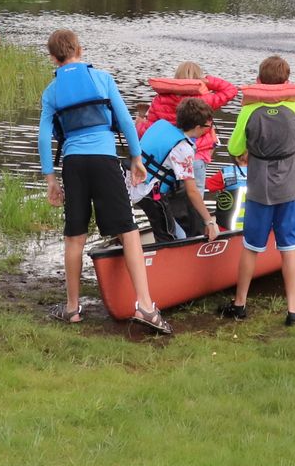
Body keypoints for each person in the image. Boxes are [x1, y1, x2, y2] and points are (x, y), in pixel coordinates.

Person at [38, 28, 172, 333]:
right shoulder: (102, 79)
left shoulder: (51, 92)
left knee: (74, 236)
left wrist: (50, 179)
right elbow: (125, 120)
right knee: (129, 232)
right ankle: (146, 307)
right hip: (104, 160)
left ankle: (72, 308)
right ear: (79, 51)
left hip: (73, 164)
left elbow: (45, 136)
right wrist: (136, 158)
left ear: (53, 58)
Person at [218, 55, 295, 325]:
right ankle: (293, 310)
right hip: (290, 187)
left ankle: (239, 305)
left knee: (251, 246)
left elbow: (233, 148)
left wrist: (247, 150)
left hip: (259, 188)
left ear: (259, 80)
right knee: (288, 248)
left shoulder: (249, 111)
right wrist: (293, 102)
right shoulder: (293, 109)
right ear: (286, 81)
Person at [137, 62, 239, 194]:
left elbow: (148, 131)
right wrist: (208, 81)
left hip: (169, 156)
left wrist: (139, 124)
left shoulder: (160, 99)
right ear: (199, 79)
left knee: (171, 194)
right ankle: (198, 215)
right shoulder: (204, 100)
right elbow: (231, 90)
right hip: (197, 155)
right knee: (195, 193)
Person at [132, 97, 222, 244]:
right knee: (173, 239)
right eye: (208, 126)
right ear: (198, 127)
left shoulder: (161, 124)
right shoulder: (183, 148)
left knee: (176, 225)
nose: (209, 130)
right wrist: (209, 222)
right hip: (148, 192)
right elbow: (192, 191)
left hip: (131, 183)